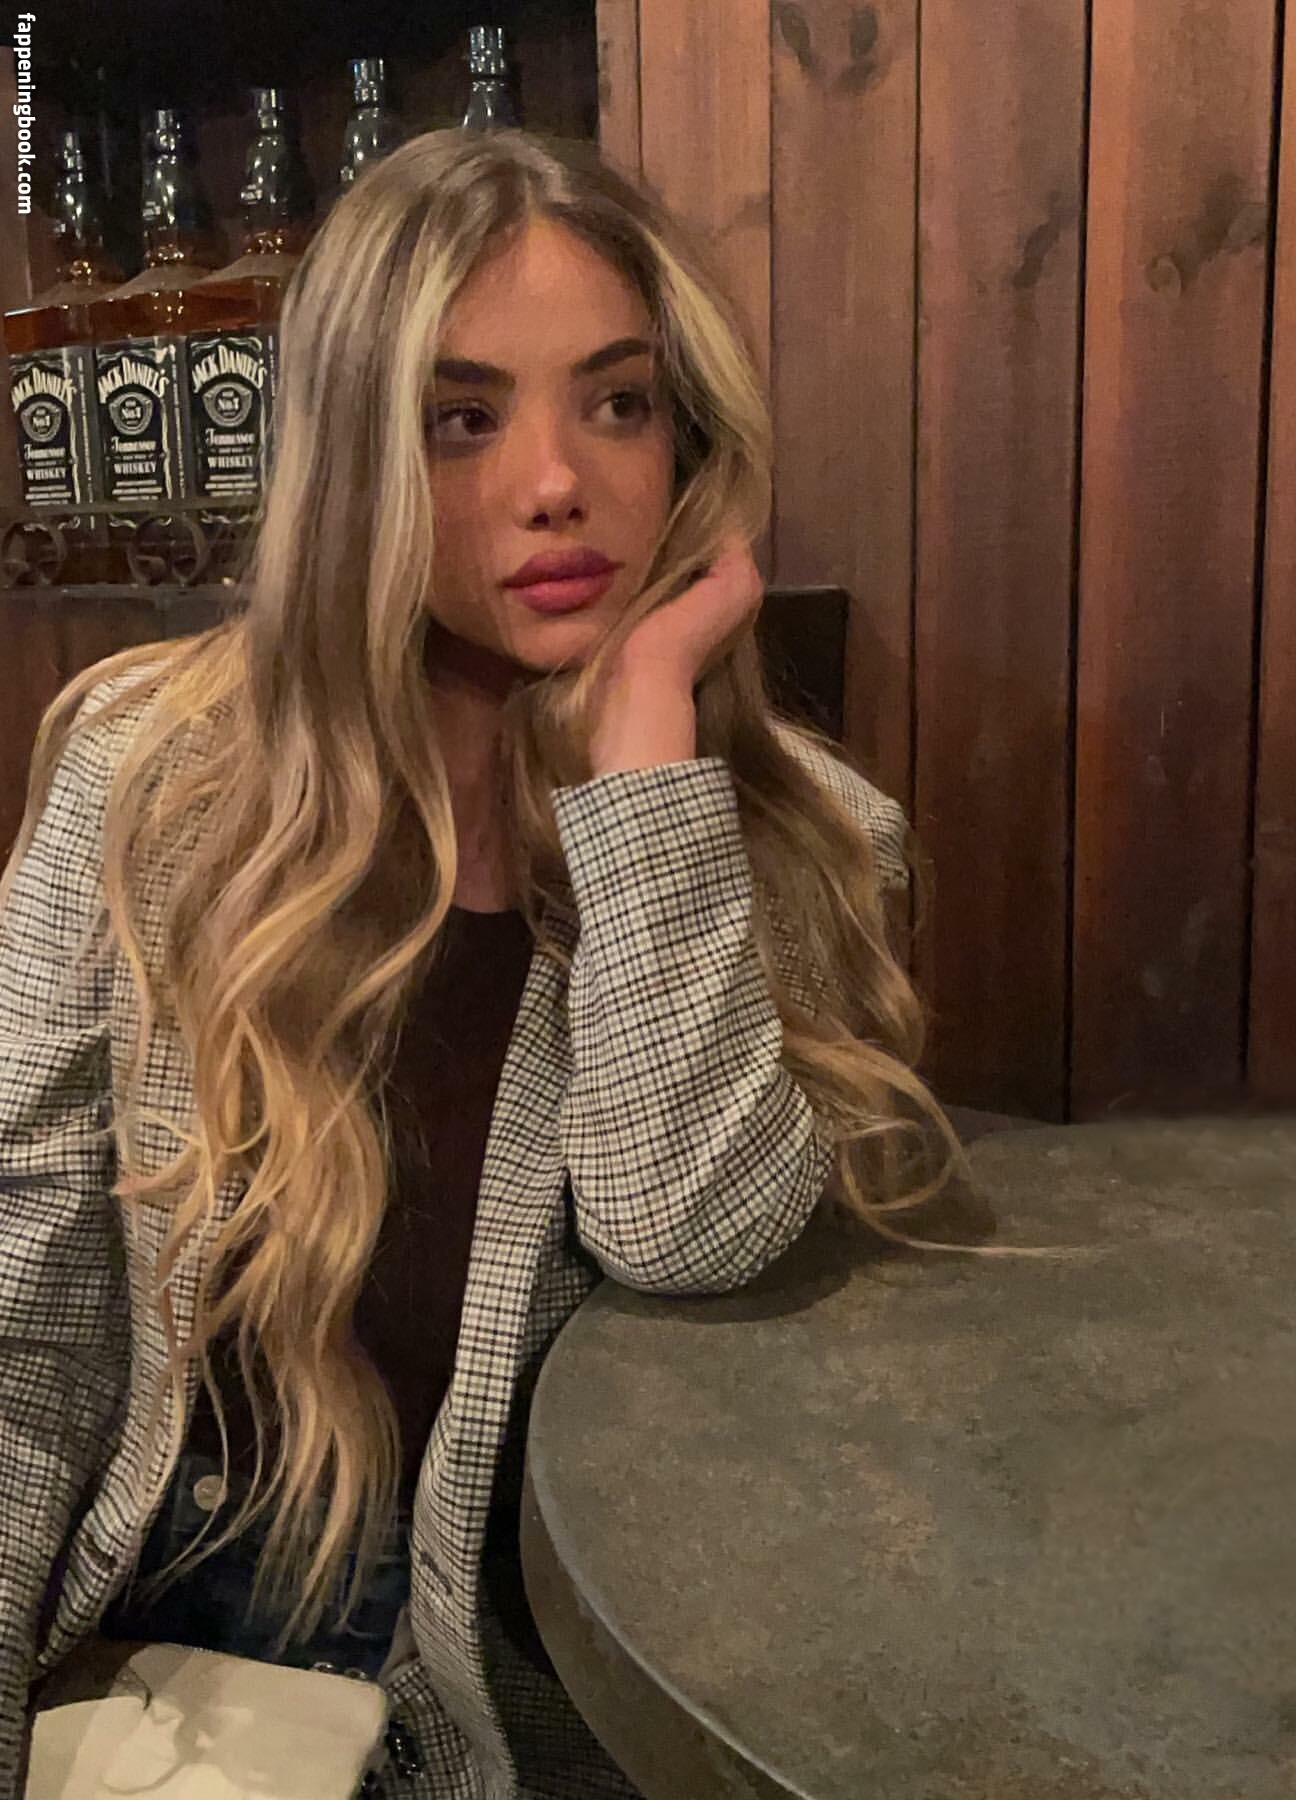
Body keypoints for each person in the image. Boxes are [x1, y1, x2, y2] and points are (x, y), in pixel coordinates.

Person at [0, 127, 983, 1798]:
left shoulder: (810, 841)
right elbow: (24, 1334)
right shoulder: (147, 784)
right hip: (179, 1663)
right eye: (461, 420)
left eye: (619, 404)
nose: (555, 483)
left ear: (691, 436)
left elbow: (685, 1233)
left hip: (548, 1707)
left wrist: (648, 768)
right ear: (353, 458)